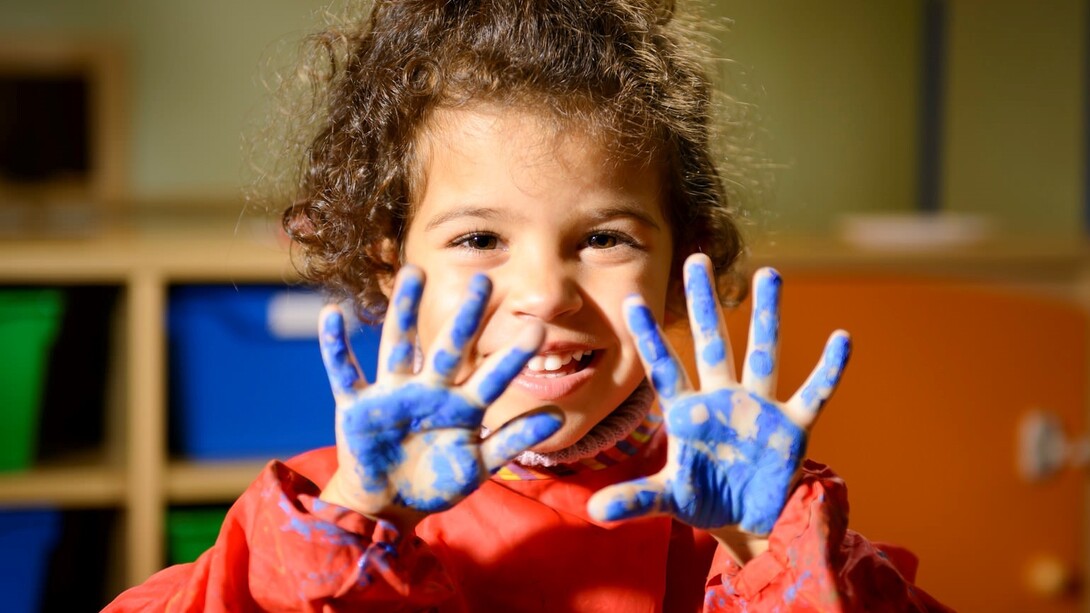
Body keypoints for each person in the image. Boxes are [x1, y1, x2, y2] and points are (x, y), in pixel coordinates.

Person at [106, 0, 951, 610]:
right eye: (479, 239)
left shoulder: (731, 508)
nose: (546, 291)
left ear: (679, 264)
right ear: (394, 263)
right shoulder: (328, 509)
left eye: (606, 238)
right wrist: (354, 532)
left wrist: (771, 548)